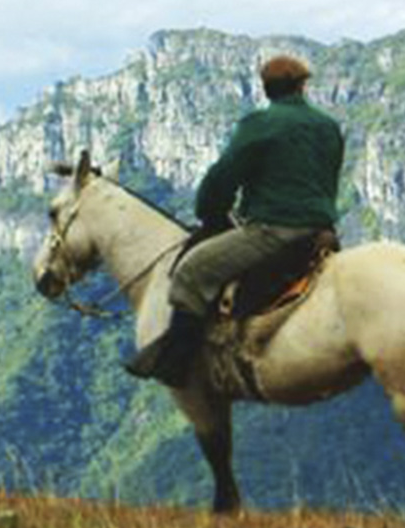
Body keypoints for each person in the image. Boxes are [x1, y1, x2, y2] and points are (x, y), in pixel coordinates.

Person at [124, 55, 346, 386]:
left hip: (273, 230)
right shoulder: (329, 127)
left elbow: (223, 177)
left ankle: (177, 365)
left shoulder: (260, 124)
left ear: (267, 89)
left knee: (190, 272)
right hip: (322, 233)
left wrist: (211, 210)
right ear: (302, 86)